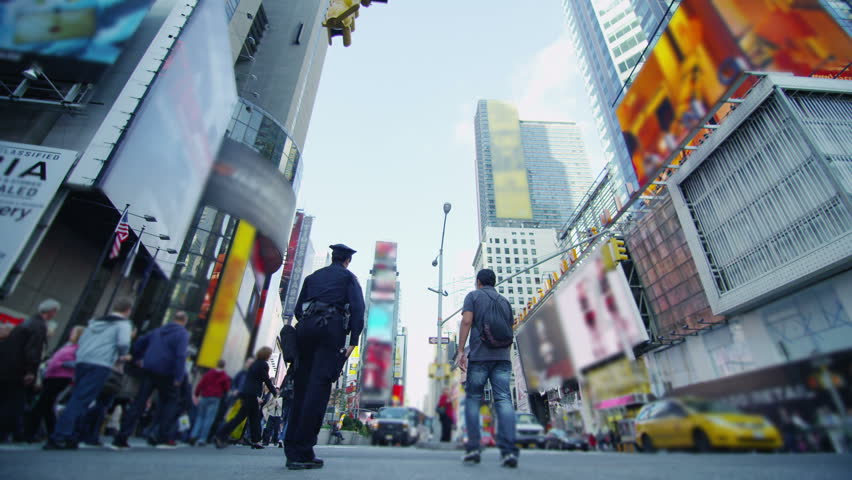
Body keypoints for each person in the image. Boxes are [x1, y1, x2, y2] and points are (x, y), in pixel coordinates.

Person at [284, 244, 365, 470]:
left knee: (301, 387)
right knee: (318, 389)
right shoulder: (349, 278)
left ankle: (291, 449)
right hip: (330, 330)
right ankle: (303, 451)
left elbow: (298, 309)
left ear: (332, 257)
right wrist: (353, 342)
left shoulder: (312, 277)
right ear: (347, 260)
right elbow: (358, 310)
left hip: (305, 329)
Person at [44, 298, 132, 449]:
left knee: (79, 396)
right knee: (81, 400)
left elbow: (83, 340)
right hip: (100, 363)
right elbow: (123, 343)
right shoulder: (123, 324)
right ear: (128, 310)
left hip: (83, 361)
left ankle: (71, 435)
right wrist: (122, 354)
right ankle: (61, 435)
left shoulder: (94, 322)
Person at [455, 269, 519, 468]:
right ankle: (509, 452)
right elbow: (510, 328)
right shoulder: (505, 302)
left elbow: (466, 321)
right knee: (504, 399)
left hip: (480, 357)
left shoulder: (473, 296)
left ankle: (473, 448)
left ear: (478, 282)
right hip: (502, 358)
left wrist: (460, 351)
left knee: (473, 399)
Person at [112, 311, 189, 449]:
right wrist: (179, 376)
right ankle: (162, 437)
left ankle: (121, 437)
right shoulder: (182, 334)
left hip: (150, 369)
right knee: (169, 403)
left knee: (139, 403)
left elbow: (139, 343)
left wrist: (138, 358)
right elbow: (180, 355)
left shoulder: (158, 331)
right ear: (185, 321)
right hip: (168, 372)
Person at [0, 299, 59, 441]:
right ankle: (6, 432)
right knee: (15, 403)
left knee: (7, 400)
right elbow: (33, 351)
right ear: (51, 312)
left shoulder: (27, 323)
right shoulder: (38, 326)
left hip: (8, 367)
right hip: (18, 369)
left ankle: (13, 432)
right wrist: (31, 371)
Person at [25, 325, 84, 441]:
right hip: (53, 375)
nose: (71, 334)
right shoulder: (70, 346)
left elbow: (77, 363)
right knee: (47, 406)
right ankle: (51, 431)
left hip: (61, 376)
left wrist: (60, 363)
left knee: (42, 405)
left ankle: (30, 433)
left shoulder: (79, 349)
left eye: (74, 332)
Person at [214, 347, 277, 449]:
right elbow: (266, 379)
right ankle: (221, 434)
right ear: (266, 355)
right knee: (242, 417)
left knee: (254, 417)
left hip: (247, 392)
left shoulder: (254, 364)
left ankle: (256, 440)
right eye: (269, 354)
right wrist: (274, 392)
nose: (270, 356)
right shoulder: (263, 365)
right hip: (252, 394)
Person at [190, 360, 231, 446]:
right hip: (215, 398)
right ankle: (202, 439)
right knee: (209, 419)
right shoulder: (224, 376)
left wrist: (197, 394)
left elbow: (201, 384)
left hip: (205, 396)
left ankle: (193, 435)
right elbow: (227, 388)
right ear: (224, 366)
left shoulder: (209, 373)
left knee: (200, 417)